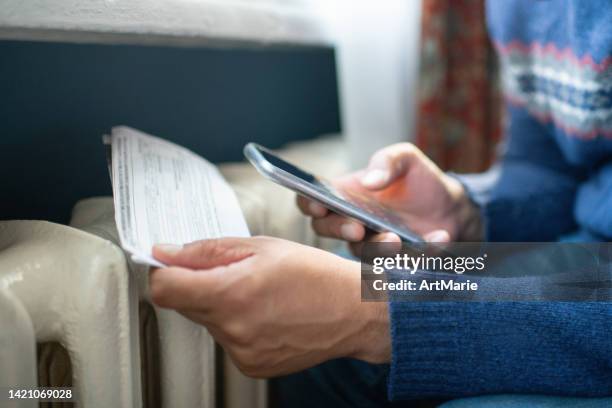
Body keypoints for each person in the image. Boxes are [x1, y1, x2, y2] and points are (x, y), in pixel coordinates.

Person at [149, 0, 612, 406]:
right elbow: (551, 166)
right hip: (583, 260)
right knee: (330, 337)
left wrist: (378, 315)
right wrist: (467, 211)